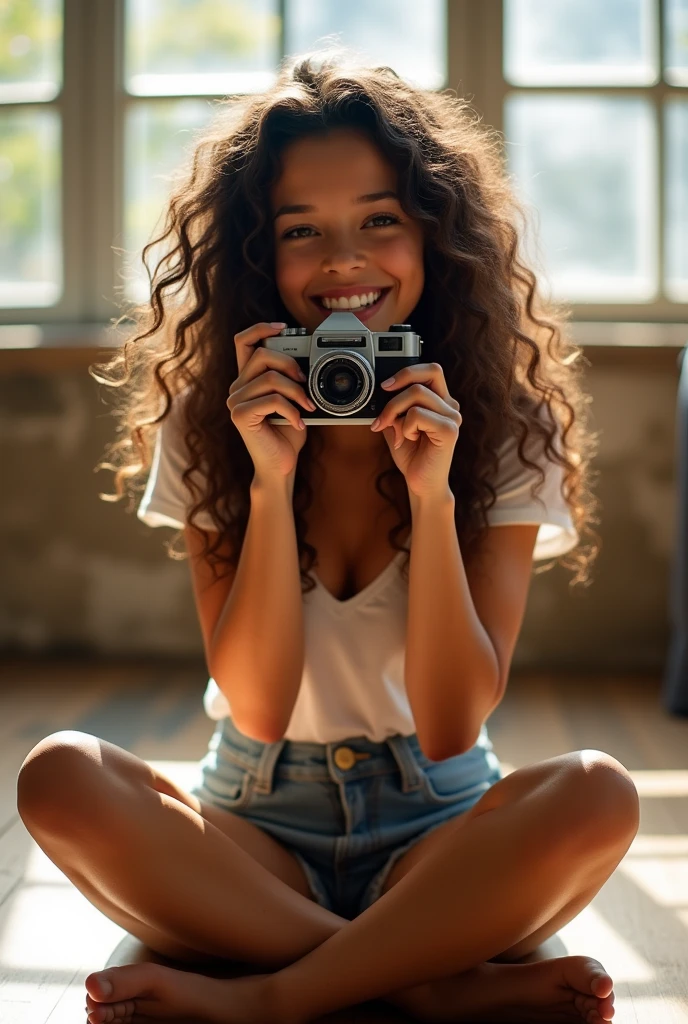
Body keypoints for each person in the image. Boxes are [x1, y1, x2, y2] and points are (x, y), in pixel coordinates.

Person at [18, 45, 639, 1024]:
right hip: (255, 818)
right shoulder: (210, 417)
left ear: (436, 237)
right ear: (260, 256)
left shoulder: (506, 421)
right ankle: (427, 975)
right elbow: (259, 708)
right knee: (58, 774)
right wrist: (268, 482)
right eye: (300, 230)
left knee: (597, 794)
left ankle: (270, 991)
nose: (344, 260)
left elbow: (450, 724)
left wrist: (431, 496)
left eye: (380, 221)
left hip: (435, 819)